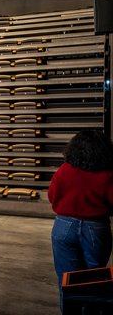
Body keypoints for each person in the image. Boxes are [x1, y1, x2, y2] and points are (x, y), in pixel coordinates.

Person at [48, 130, 113, 312]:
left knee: (67, 279)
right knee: (95, 278)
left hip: (64, 226)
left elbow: (52, 196)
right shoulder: (107, 174)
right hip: (96, 227)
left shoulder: (64, 170)